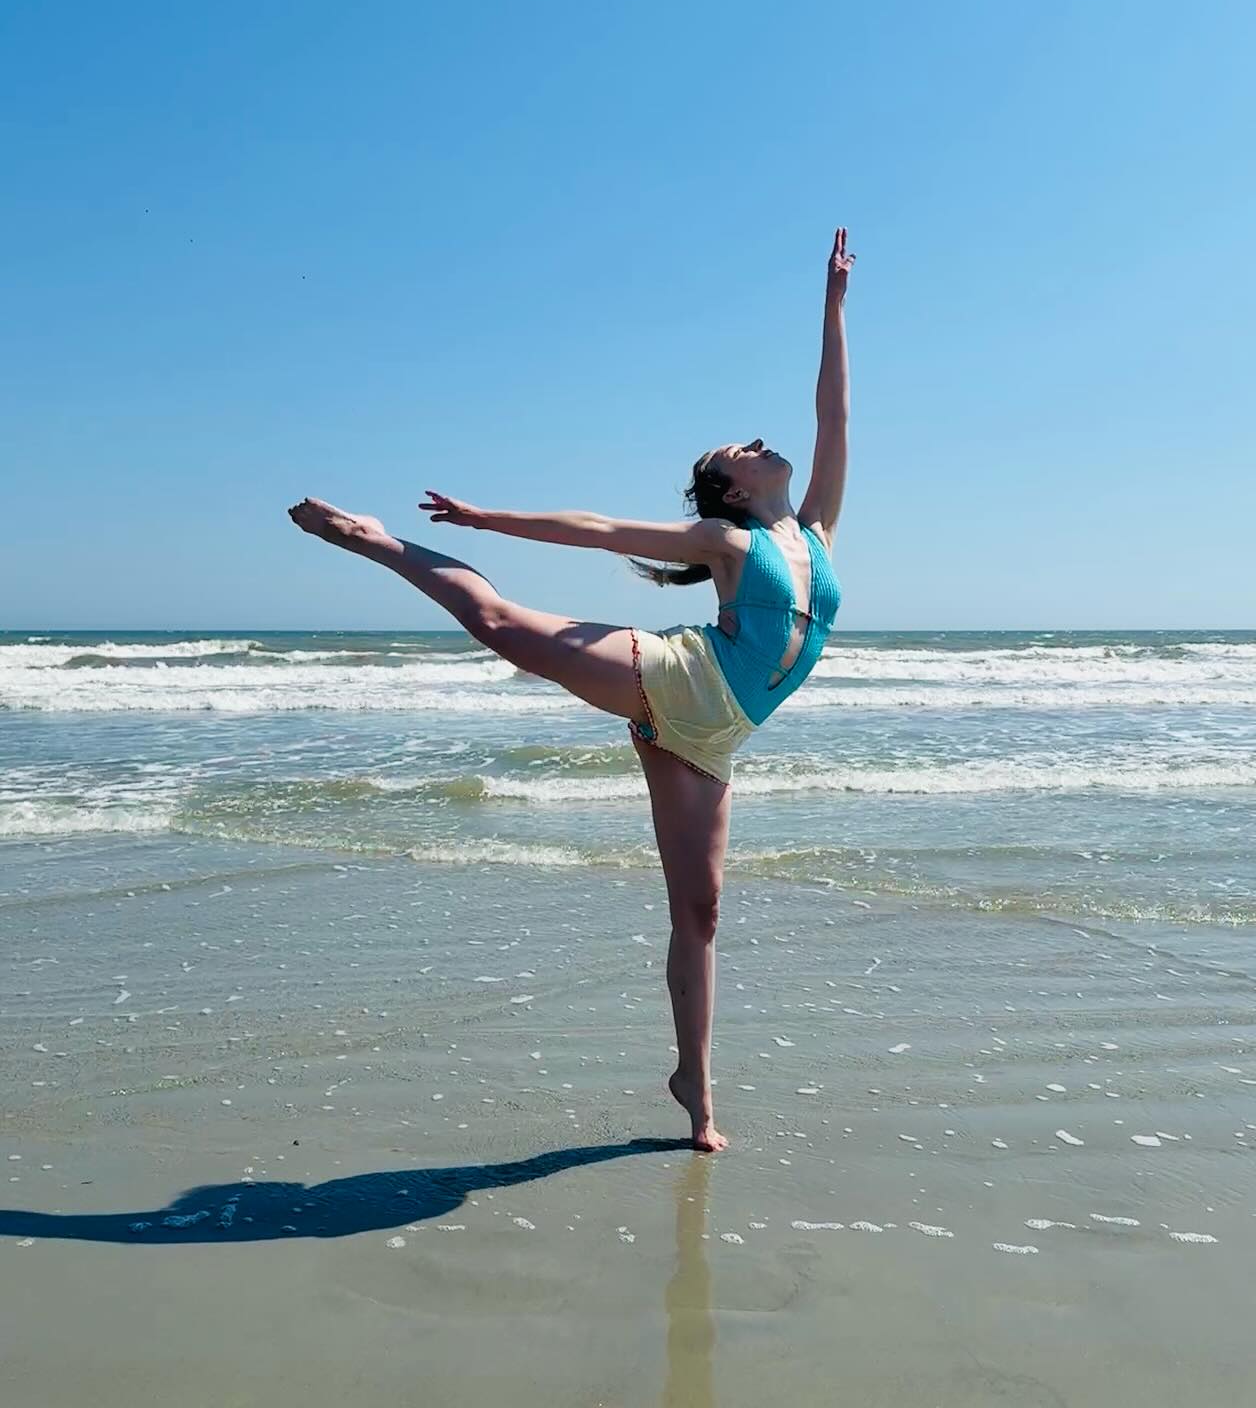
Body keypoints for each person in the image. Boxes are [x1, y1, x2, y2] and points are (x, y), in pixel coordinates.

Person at [288, 227, 855, 1150]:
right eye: (741, 448)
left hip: (715, 737)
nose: (761, 442)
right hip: (684, 674)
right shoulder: (726, 542)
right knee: (504, 626)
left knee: (701, 913)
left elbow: (834, 417)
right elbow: (597, 528)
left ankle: (696, 1089)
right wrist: (486, 518)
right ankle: (377, 540)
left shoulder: (817, 529)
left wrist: (832, 304)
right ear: (731, 489)